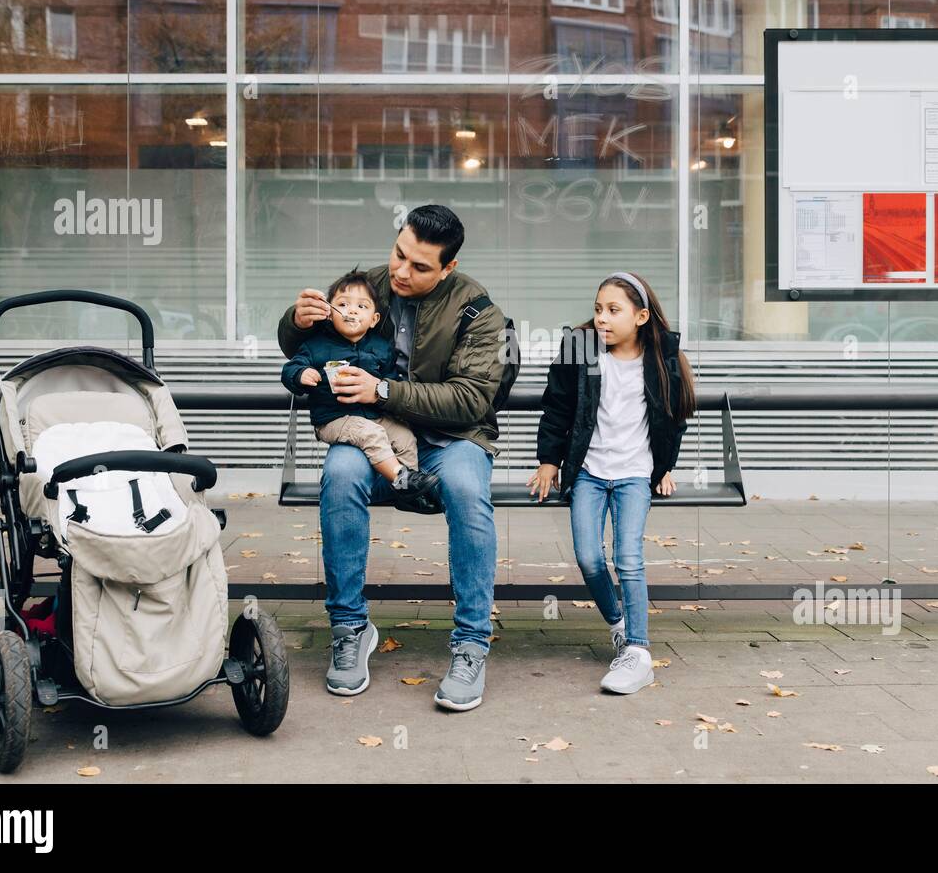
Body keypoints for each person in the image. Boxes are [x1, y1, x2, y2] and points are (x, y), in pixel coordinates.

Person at [277, 205, 506, 711]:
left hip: (452, 439)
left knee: (469, 492)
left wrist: (383, 389)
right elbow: (304, 347)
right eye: (399, 254)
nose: (401, 271)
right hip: (371, 435)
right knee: (339, 474)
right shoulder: (367, 286)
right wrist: (295, 322)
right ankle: (350, 628)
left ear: (447, 268)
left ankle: (471, 641)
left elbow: (472, 399)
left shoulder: (478, 312)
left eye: (420, 266)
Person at [528, 272, 695, 693]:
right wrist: (549, 460)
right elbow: (557, 408)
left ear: (640, 316)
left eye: (613, 310)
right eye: (598, 309)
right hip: (588, 471)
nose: (602, 318)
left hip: (635, 474)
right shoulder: (580, 349)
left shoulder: (660, 357)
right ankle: (620, 623)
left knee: (629, 557)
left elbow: (672, 418)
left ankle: (638, 653)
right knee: (587, 556)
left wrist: (664, 467)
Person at [279, 268, 441, 514]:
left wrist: (385, 390)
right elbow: (290, 369)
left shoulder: (380, 347)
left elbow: (389, 378)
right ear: (329, 313)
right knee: (370, 433)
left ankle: (408, 490)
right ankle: (399, 477)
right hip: (333, 419)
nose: (352, 311)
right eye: (343, 304)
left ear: (374, 319)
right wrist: (301, 375)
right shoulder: (316, 345)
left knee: (405, 436)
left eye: (362, 307)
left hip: (373, 415)